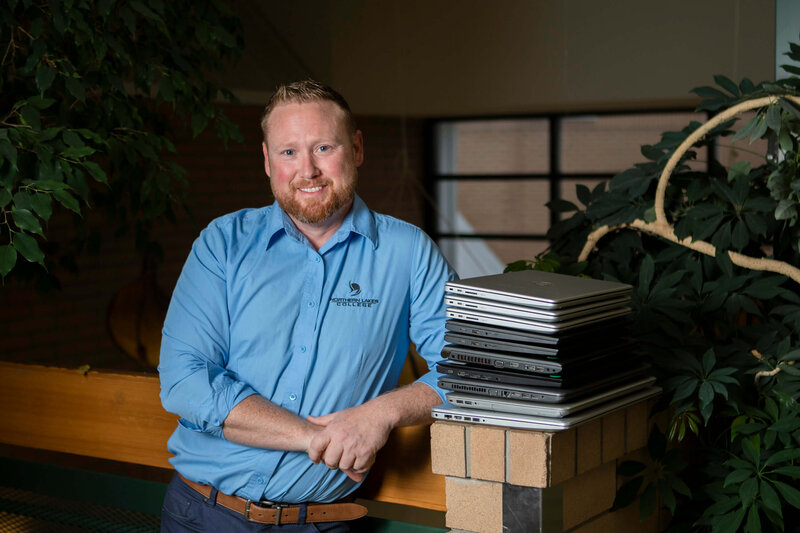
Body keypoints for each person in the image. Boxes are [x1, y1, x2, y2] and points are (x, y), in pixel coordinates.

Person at [157, 79, 456, 532]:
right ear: (266, 160)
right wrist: (317, 438)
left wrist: (381, 413)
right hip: (201, 515)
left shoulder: (408, 252)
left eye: (323, 147)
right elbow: (184, 381)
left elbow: (471, 368)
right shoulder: (223, 244)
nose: (308, 170)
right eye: (289, 152)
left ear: (356, 148)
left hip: (320, 524)